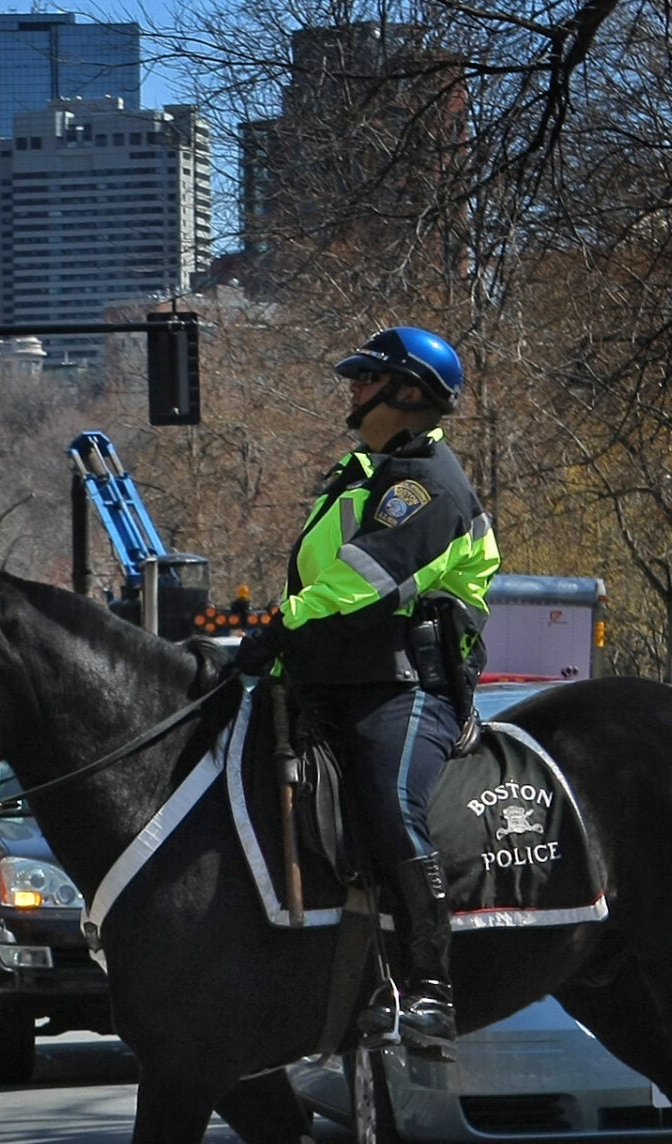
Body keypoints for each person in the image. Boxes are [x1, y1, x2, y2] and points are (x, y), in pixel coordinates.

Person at [235, 326, 500, 1053]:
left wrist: (279, 627)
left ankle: (431, 989)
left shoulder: (426, 486)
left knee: (389, 801)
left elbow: (364, 579)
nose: (351, 388)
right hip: (334, 680)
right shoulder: (361, 475)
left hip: (406, 686)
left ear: (408, 393)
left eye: (365, 377)